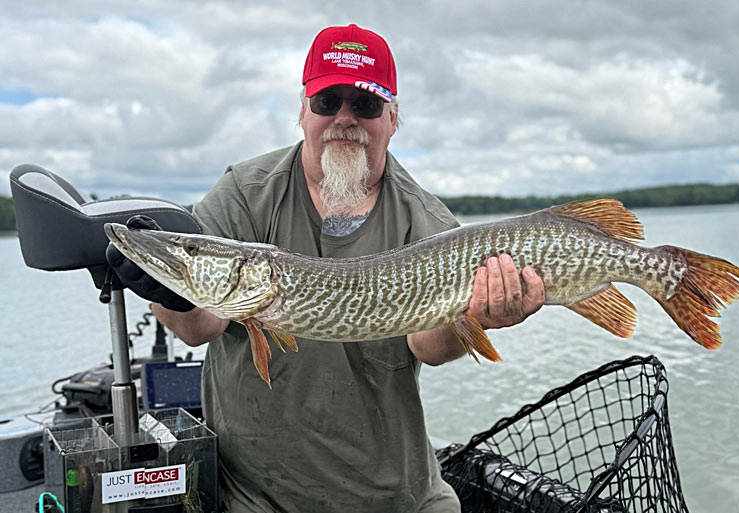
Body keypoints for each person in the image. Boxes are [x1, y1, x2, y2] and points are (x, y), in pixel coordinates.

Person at [107, 24, 545, 513]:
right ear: (303, 112)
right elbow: (198, 327)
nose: (344, 118)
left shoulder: (426, 220)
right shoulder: (245, 193)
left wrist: (479, 315)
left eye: (366, 104)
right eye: (327, 101)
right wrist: (166, 292)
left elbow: (429, 346)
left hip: (394, 496)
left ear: (392, 119)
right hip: (257, 496)